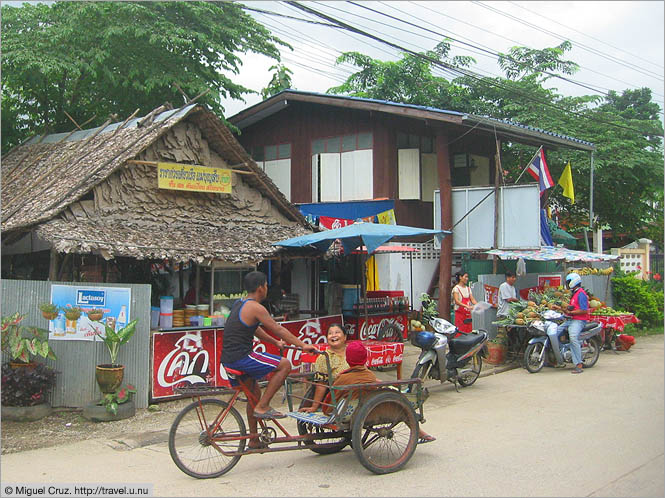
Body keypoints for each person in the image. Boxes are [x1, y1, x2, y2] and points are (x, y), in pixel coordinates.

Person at [220, 271, 317, 448]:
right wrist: (302, 345)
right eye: (265, 286)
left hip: (228, 358)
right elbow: (278, 329)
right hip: (241, 357)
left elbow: (255, 329)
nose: (266, 289)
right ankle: (264, 406)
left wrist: (274, 342)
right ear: (260, 288)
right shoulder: (256, 307)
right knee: (285, 365)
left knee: (254, 394)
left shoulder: (239, 304)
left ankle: (254, 439)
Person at [326, 341, 436, 444]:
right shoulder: (369, 376)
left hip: (349, 411)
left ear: (347, 359)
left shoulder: (342, 378)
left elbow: (332, 399)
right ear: (365, 359)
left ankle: (420, 433)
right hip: (371, 411)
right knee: (402, 407)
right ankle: (420, 433)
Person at [299, 323, 350, 413]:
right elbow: (321, 385)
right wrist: (314, 407)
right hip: (341, 395)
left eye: (337, 332)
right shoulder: (324, 357)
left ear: (345, 337)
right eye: (330, 333)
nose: (333, 335)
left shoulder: (352, 351)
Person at [549, 272, 589, 374]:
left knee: (573, 337)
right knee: (555, 332)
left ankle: (578, 364)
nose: (567, 284)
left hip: (579, 320)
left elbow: (584, 310)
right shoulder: (574, 293)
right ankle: (559, 357)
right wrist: (558, 308)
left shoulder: (581, 294)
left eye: (568, 282)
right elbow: (570, 308)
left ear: (573, 282)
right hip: (571, 319)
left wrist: (571, 312)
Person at [497, 271, 523, 360]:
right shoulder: (503, 286)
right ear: (507, 278)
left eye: (514, 277)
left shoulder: (512, 287)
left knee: (512, 336)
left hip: (511, 315)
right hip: (504, 314)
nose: (514, 279)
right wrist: (519, 301)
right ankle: (504, 357)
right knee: (504, 337)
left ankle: (512, 355)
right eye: (512, 277)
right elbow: (509, 299)